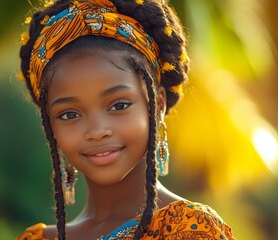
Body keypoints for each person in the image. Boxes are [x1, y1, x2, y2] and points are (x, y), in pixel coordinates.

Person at [16, 0, 236, 239]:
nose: (97, 131)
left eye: (118, 105)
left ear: (157, 104)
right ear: (50, 125)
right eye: (70, 114)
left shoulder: (192, 230)